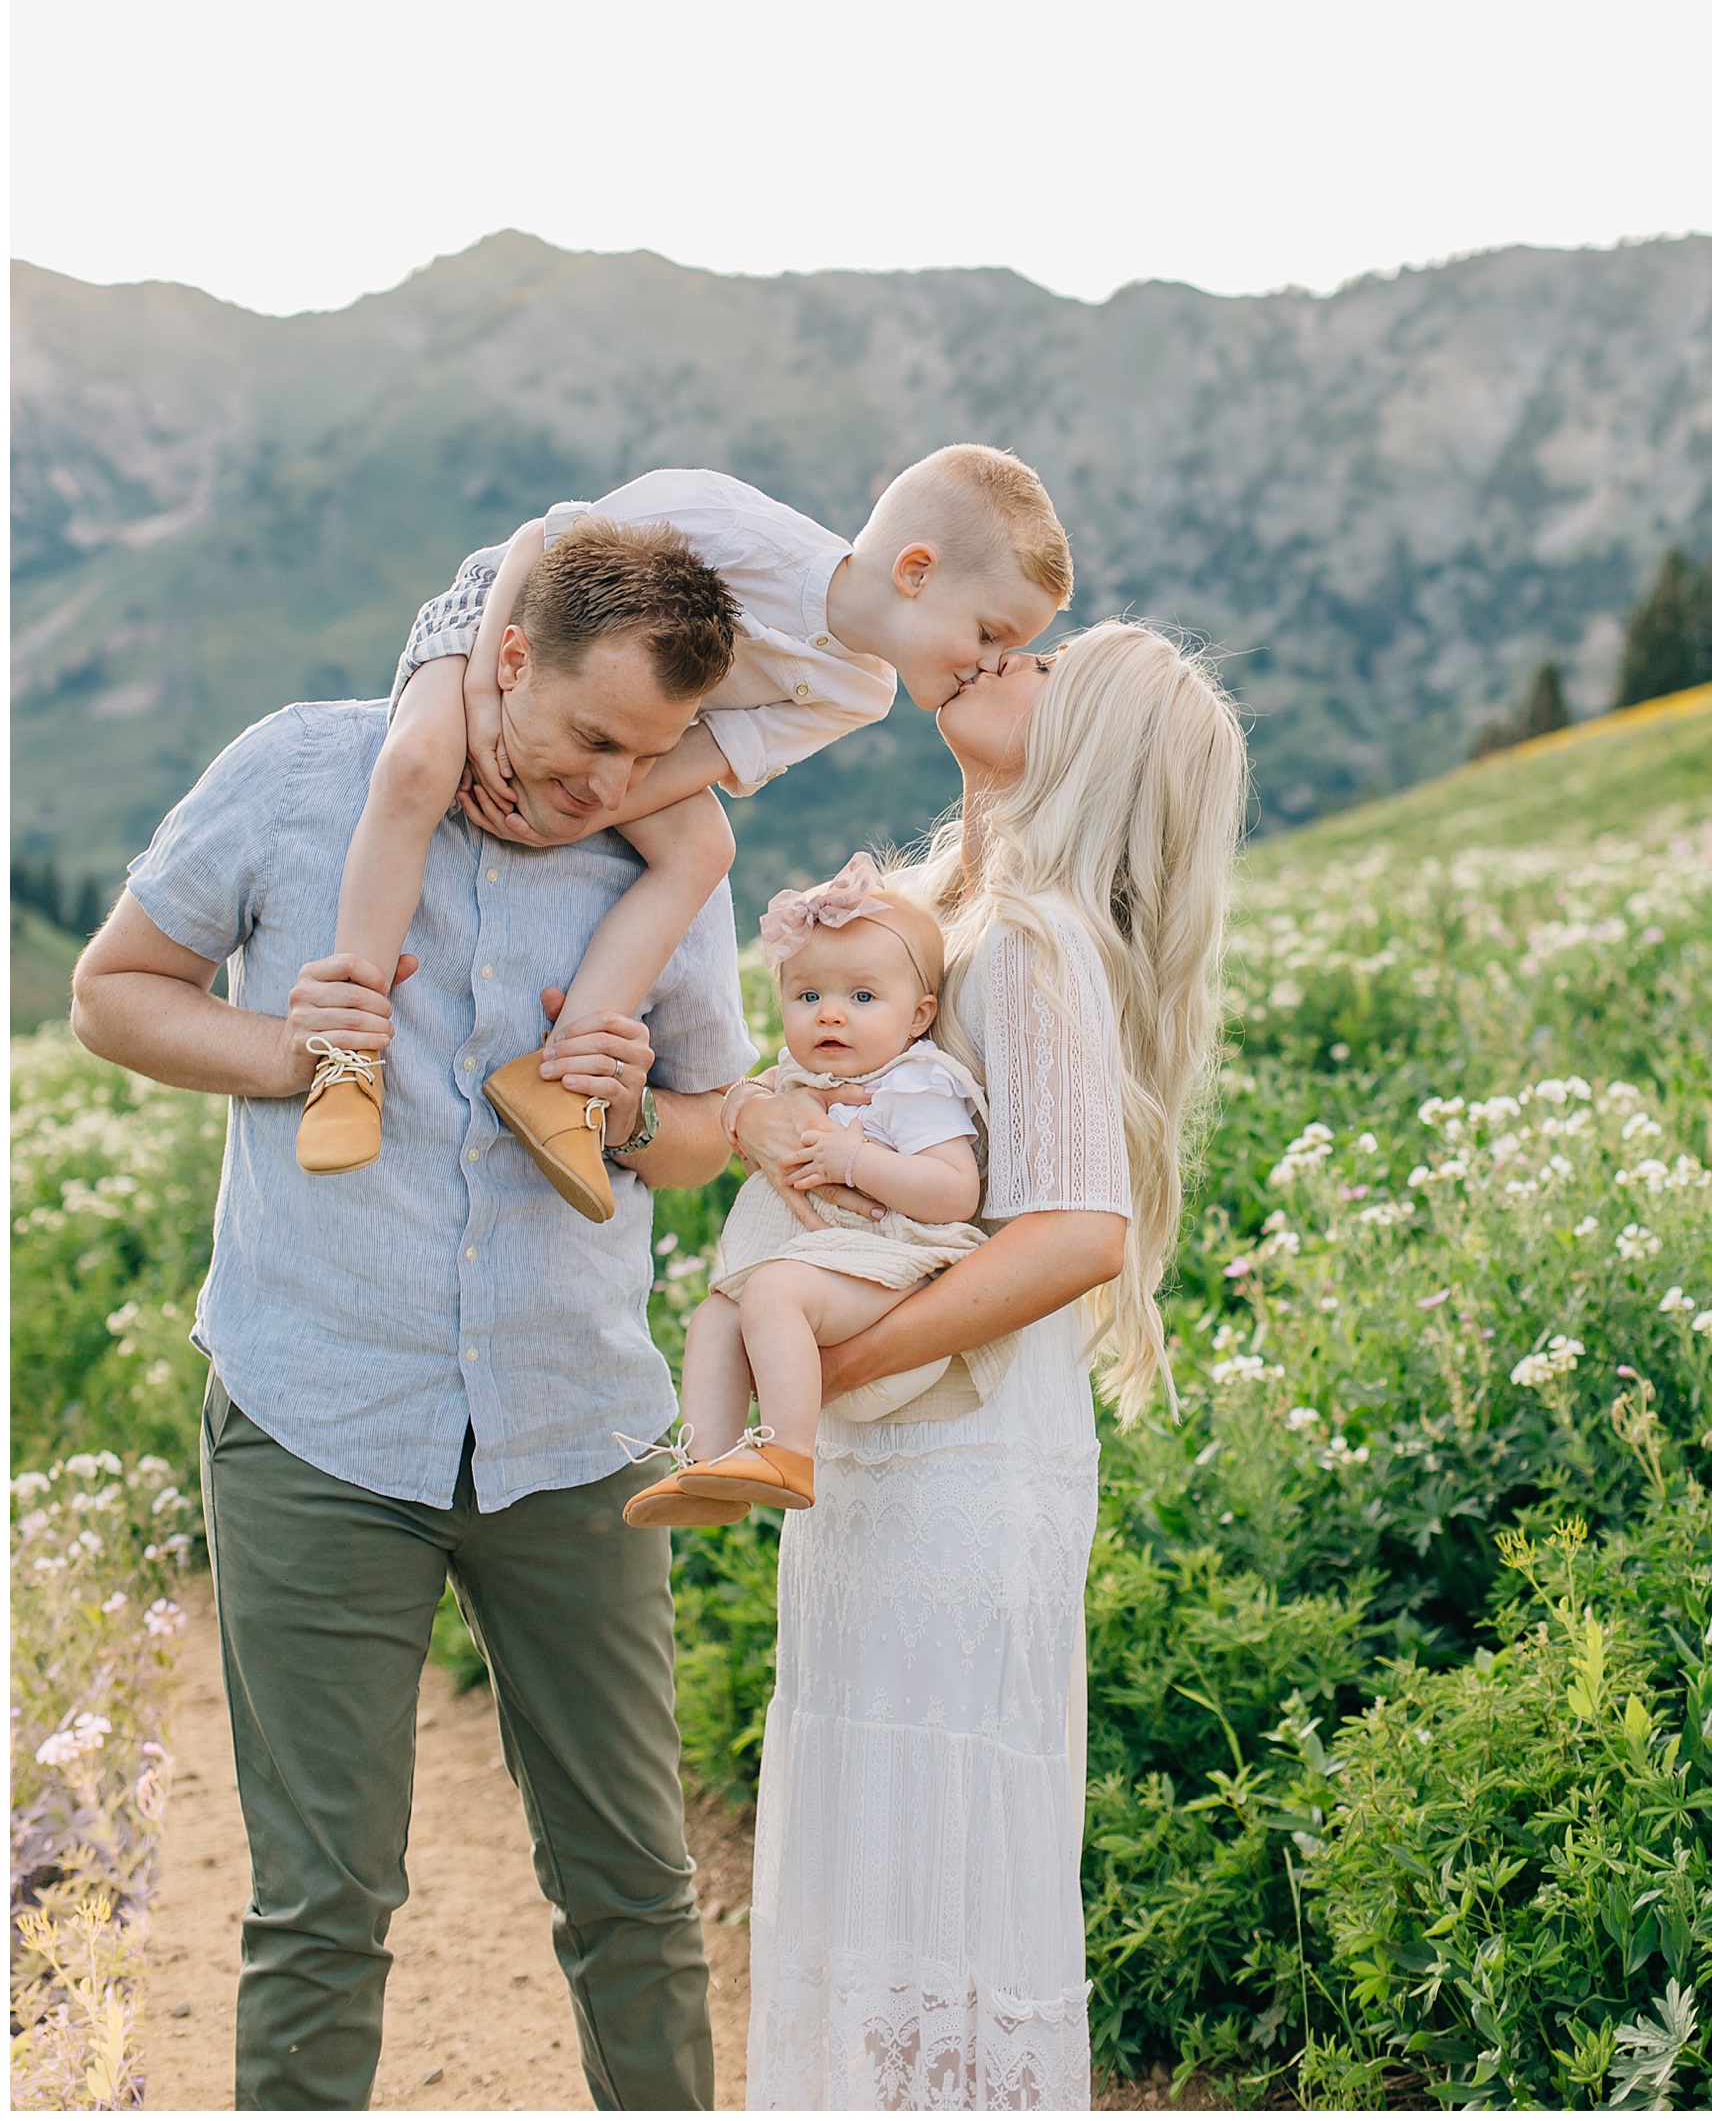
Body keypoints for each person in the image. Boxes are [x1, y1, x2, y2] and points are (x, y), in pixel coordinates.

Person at [70, 520, 757, 2114]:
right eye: (592, 735)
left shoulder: (661, 843)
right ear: (505, 657)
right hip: (315, 1411)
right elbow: (114, 991)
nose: (609, 782)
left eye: (651, 752)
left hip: (574, 1425)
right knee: (321, 1908)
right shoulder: (307, 774)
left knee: (637, 1890)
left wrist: (637, 1106)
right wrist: (284, 1046)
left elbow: (712, 1127)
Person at [729, 621, 1249, 2110]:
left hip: (957, 1460)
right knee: (896, 1840)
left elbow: (1076, 1232)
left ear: (1080, 741)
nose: (998, 654)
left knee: (922, 1850)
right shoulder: (954, 925)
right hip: (921, 1454)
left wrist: (833, 1368)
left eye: (1045, 661)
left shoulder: (1023, 940)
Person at [299, 453, 1073, 1211]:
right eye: (989, 633)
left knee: (706, 848)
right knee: (417, 764)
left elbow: (694, 759)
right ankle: (348, 1053)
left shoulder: (860, 692)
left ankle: (562, 1080)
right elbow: (543, 543)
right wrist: (474, 691)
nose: (994, 666)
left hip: (635, 725)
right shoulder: (732, 525)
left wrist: (568, 816)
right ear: (916, 573)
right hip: (516, 621)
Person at [619, 852, 995, 1530]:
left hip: (896, 1265)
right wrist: (744, 1107)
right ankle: (707, 1465)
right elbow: (739, 1102)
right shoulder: (793, 1079)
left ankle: (788, 1452)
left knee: (768, 1291)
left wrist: (855, 1159)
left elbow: (952, 1193)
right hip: (828, 1265)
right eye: (808, 996)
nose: (830, 1017)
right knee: (715, 1316)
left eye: (862, 997)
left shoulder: (914, 1084)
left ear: (918, 1016)